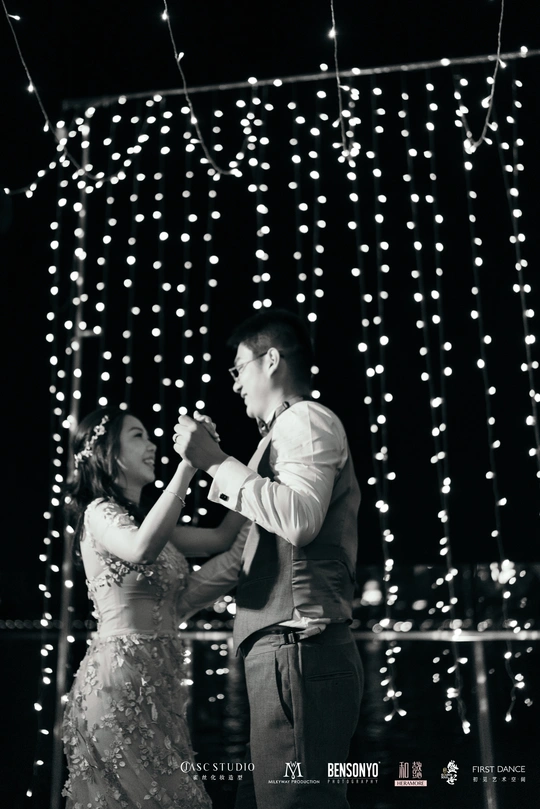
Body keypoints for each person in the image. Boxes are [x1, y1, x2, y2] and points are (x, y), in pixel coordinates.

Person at [174, 309, 363, 809]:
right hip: (281, 653)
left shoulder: (306, 419)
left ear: (271, 359)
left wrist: (216, 461)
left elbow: (300, 521)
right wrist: (167, 608)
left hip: (299, 648)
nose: (235, 384)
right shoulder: (273, 441)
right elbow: (243, 554)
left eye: (239, 368)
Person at [61, 404, 246, 808]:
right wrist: (187, 467)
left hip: (161, 690)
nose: (152, 445)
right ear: (108, 454)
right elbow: (141, 549)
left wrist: (229, 465)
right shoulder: (99, 513)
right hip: (116, 688)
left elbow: (223, 538)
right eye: (138, 436)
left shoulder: (150, 524)